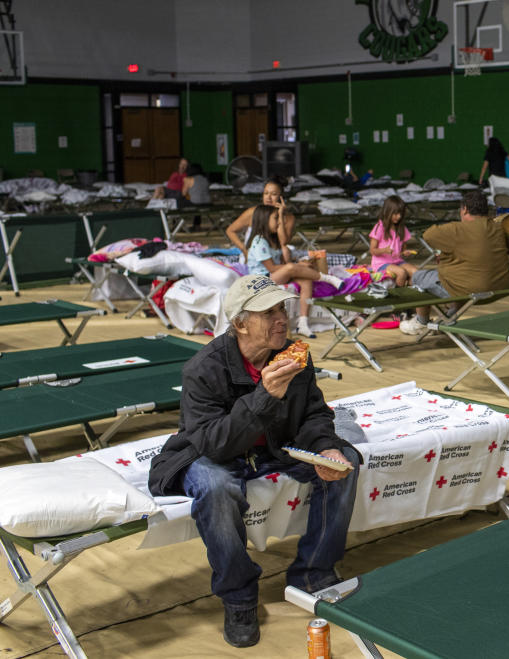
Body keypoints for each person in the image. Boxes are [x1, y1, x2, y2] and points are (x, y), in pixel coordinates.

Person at [147, 274, 361, 648]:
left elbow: (313, 414)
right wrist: (265, 395)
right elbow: (213, 444)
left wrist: (326, 446)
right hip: (212, 452)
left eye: (283, 308)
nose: (282, 318)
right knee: (215, 487)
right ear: (240, 323)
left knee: (346, 461)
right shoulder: (203, 369)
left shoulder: (294, 355)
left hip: (273, 449)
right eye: (269, 312)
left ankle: (313, 574)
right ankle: (239, 598)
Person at [398, 190, 509, 335]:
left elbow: (428, 235)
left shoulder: (457, 229)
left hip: (473, 289)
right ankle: (448, 316)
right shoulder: (497, 227)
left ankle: (421, 322)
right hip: (500, 287)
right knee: (462, 278)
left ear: (464, 209)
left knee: (418, 277)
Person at [245, 204, 331, 338]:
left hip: (275, 274)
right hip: (262, 279)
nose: (279, 222)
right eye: (276, 219)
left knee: (306, 281)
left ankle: (303, 323)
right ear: (264, 220)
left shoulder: (272, 240)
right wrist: (296, 266)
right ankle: (327, 278)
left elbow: (282, 262)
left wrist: (298, 265)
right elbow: (272, 268)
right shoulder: (259, 242)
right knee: (292, 267)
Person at [226, 177, 295, 260]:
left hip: (275, 257)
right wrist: (244, 250)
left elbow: (283, 242)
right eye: (266, 193)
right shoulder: (253, 212)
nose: (268, 198)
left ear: (281, 197)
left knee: (286, 251)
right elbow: (230, 231)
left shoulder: (288, 217)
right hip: (253, 258)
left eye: (273, 194)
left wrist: (280, 215)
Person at [369, 195, 418, 286]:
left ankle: (409, 294)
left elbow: (403, 247)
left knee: (416, 273)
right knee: (401, 273)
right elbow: (372, 250)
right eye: (395, 214)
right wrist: (384, 250)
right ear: (387, 212)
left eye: (400, 214)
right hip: (381, 263)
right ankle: (399, 296)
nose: (398, 217)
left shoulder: (402, 228)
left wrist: (405, 251)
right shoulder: (379, 227)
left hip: (397, 261)